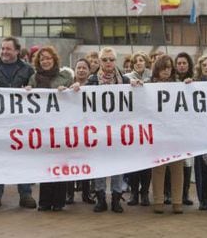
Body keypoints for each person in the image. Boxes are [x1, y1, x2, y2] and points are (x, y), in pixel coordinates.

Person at [0, 36, 37, 210]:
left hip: (21, 122)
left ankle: (25, 194)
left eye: (8, 49)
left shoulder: (28, 69)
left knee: (23, 158)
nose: (4, 52)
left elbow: (36, 90)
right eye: (3, 48)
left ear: (16, 51)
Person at [27, 46, 73, 212]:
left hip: (61, 127)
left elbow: (75, 96)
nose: (45, 61)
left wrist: (67, 91)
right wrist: (27, 92)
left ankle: (59, 202)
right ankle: (44, 202)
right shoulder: (33, 78)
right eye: (42, 59)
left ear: (54, 60)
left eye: (48, 58)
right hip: (43, 128)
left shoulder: (65, 76)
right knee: (46, 165)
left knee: (60, 164)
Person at [87, 47, 130, 213]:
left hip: (119, 131)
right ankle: (100, 199)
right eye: (104, 60)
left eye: (111, 59)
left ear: (115, 60)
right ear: (99, 61)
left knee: (117, 166)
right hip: (98, 131)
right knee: (99, 165)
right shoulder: (92, 81)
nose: (108, 63)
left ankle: (116, 200)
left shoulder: (125, 81)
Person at [150, 55, 183, 214]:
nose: (166, 70)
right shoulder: (148, 85)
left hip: (176, 132)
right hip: (156, 133)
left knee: (177, 168)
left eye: (169, 67)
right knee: (158, 169)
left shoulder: (180, 86)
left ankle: (177, 202)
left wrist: (189, 86)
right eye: (163, 67)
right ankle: (158, 201)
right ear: (157, 68)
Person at [66, 58, 95, 205]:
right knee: (72, 162)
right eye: (79, 68)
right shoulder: (67, 85)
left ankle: (86, 193)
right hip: (72, 129)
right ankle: (69, 194)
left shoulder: (95, 86)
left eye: (84, 68)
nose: (81, 70)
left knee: (86, 162)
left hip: (89, 129)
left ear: (89, 71)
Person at [124, 52, 152, 206]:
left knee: (147, 164)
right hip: (132, 125)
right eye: (136, 61)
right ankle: (134, 193)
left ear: (146, 62)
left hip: (148, 124)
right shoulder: (127, 78)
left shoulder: (153, 77)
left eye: (141, 60)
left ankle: (145, 193)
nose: (139, 63)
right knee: (134, 162)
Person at [190, 55, 207, 210]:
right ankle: (202, 199)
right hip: (200, 132)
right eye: (204, 65)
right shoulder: (195, 84)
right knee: (201, 167)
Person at [174, 52, 195, 206]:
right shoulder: (170, 81)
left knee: (187, 162)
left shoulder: (196, 80)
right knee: (172, 162)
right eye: (179, 63)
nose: (181, 65)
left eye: (184, 63)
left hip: (189, 129)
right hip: (173, 128)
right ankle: (170, 194)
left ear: (189, 65)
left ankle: (185, 193)